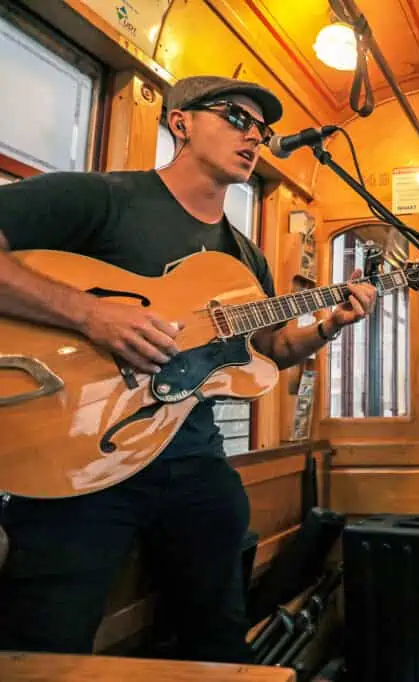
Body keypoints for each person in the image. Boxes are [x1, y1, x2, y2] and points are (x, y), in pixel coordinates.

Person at [0, 76, 378, 662]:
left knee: (219, 636)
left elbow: (269, 349)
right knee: (44, 643)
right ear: (179, 122)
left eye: (263, 128)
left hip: (192, 457)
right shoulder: (103, 198)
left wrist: (328, 325)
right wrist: (91, 314)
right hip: (78, 458)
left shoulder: (244, 255)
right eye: (236, 117)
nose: (254, 135)